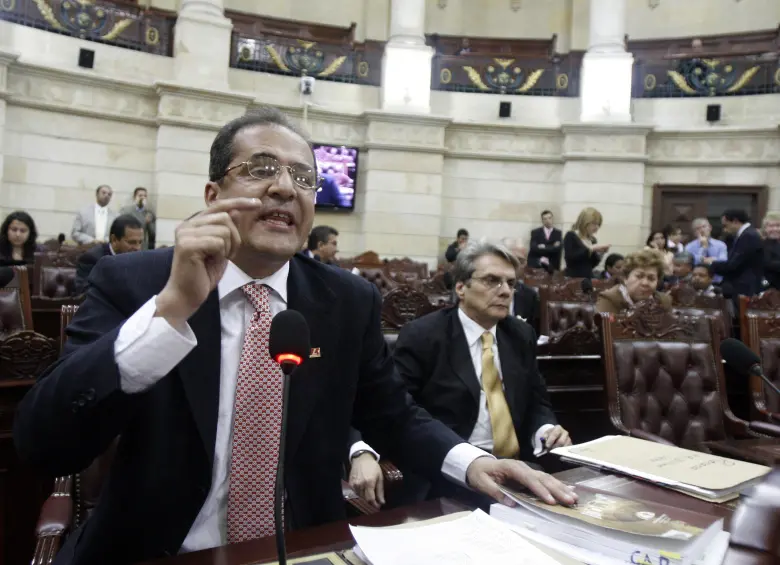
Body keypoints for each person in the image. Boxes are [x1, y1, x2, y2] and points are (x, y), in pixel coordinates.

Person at [14, 109, 575, 565]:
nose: (285, 187)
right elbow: (45, 441)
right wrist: (171, 312)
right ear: (213, 195)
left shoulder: (347, 301)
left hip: (302, 549)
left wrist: (470, 464)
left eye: (304, 178)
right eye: (260, 169)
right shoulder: (134, 281)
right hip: (155, 551)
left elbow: (393, 415)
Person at [388, 241, 570, 503]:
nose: (505, 291)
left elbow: (536, 399)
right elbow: (402, 413)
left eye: (510, 283)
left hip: (518, 468)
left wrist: (546, 429)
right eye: (492, 281)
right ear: (461, 287)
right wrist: (467, 460)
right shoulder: (424, 335)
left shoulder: (520, 335)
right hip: (452, 470)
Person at [74, 215, 144, 294]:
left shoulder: (140, 260)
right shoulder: (92, 259)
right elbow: (84, 293)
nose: (137, 248)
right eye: (132, 242)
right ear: (114, 239)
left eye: (140, 242)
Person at [704, 209, 763, 298]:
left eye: (725, 225)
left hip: (745, 287)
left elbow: (734, 265)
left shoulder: (748, 236)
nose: (724, 229)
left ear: (735, 221)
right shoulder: (745, 235)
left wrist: (711, 264)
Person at [596, 249, 672, 314]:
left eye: (651, 278)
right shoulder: (609, 299)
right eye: (639, 276)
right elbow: (608, 325)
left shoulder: (664, 301)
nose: (645, 283)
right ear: (625, 278)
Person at [563, 207, 609, 278]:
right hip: (573, 279)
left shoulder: (593, 240)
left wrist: (600, 253)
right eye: (594, 223)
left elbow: (591, 265)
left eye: (598, 224)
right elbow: (570, 259)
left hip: (588, 278)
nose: (597, 227)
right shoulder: (571, 235)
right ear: (585, 222)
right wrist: (590, 249)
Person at [685, 218, 727, 284]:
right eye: (697, 228)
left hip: (717, 281)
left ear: (710, 228)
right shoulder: (689, 247)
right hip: (696, 282)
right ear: (694, 233)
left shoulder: (721, 245)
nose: (702, 230)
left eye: (704, 227)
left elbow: (723, 261)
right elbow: (692, 264)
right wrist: (703, 248)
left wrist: (712, 260)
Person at [762, 212, 780, 290]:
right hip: (770, 289)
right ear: (765, 228)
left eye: (778, 225)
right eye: (771, 226)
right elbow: (767, 263)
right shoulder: (761, 245)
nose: (775, 229)